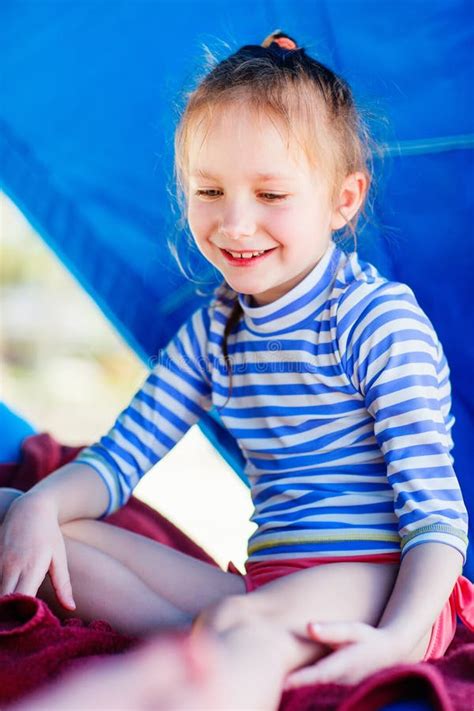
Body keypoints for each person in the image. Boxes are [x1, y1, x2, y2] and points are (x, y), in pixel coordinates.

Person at [1, 29, 472, 710]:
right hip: (268, 589)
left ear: (344, 200)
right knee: (23, 516)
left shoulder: (375, 321)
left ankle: (162, 681)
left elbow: (435, 516)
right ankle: (223, 654)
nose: (236, 222)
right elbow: (116, 462)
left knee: (238, 626)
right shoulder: (217, 329)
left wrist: (401, 634)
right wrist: (43, 503)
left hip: (381, 582)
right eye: (210, 189)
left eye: (271, 195)